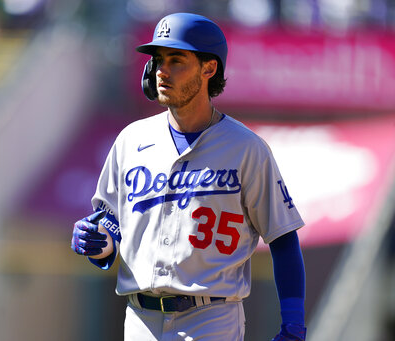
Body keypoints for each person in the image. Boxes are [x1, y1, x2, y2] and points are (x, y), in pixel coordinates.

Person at [71, 13, 306, 341]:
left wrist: (293, 321)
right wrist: (96, 242)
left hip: (210, 319)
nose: (162, 71)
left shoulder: (246, 149)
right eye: (158, 60)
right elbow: (111, 228)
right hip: (139, 319)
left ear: (209, 68)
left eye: (176, 60)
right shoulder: (130, 140)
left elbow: (282, 237)